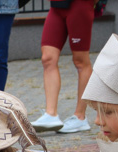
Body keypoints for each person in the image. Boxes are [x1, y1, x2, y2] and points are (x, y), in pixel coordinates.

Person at [30, 0, 95, 134]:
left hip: (79, 5)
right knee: (48, 58)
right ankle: (51, 114)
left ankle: (80, 117)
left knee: (80, 61)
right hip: (57, 5)